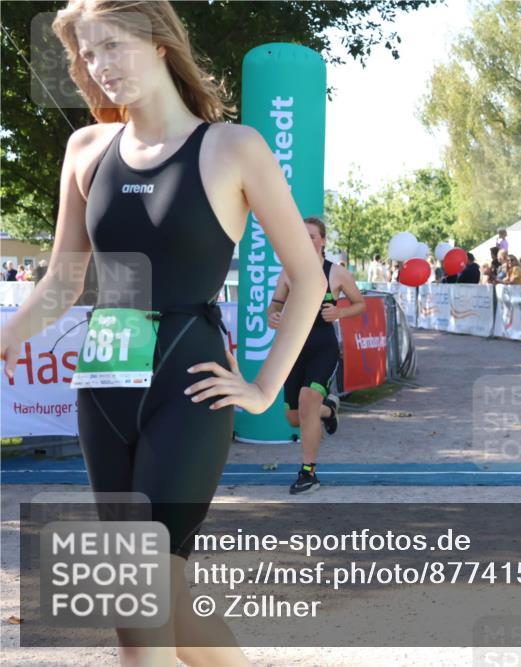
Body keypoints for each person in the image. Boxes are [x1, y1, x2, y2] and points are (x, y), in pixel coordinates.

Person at [0, 2, 333, 663]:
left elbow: (308, 277)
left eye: (112, 47)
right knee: (160, 597)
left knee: (140, 596)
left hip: (192, 386)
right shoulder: (85, 150)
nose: (98, 67)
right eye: (87, 55)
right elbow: (63, 282)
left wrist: (267, 390)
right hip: (105, 386)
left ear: (157, 43)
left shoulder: (233, 147)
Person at [268, 217, 365, 494]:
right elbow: (274, 305)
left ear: (322, 241)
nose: (306, 240)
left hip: (323, 346)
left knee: (307, 400)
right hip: (294, 348)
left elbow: (359, 304)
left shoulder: (336, 273)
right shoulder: (289, 272)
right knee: (294, 417)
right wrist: (272, 316)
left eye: (311, 236)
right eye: (303, 235)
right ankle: (329, 410)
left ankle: (309, 472)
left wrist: (340, 312)